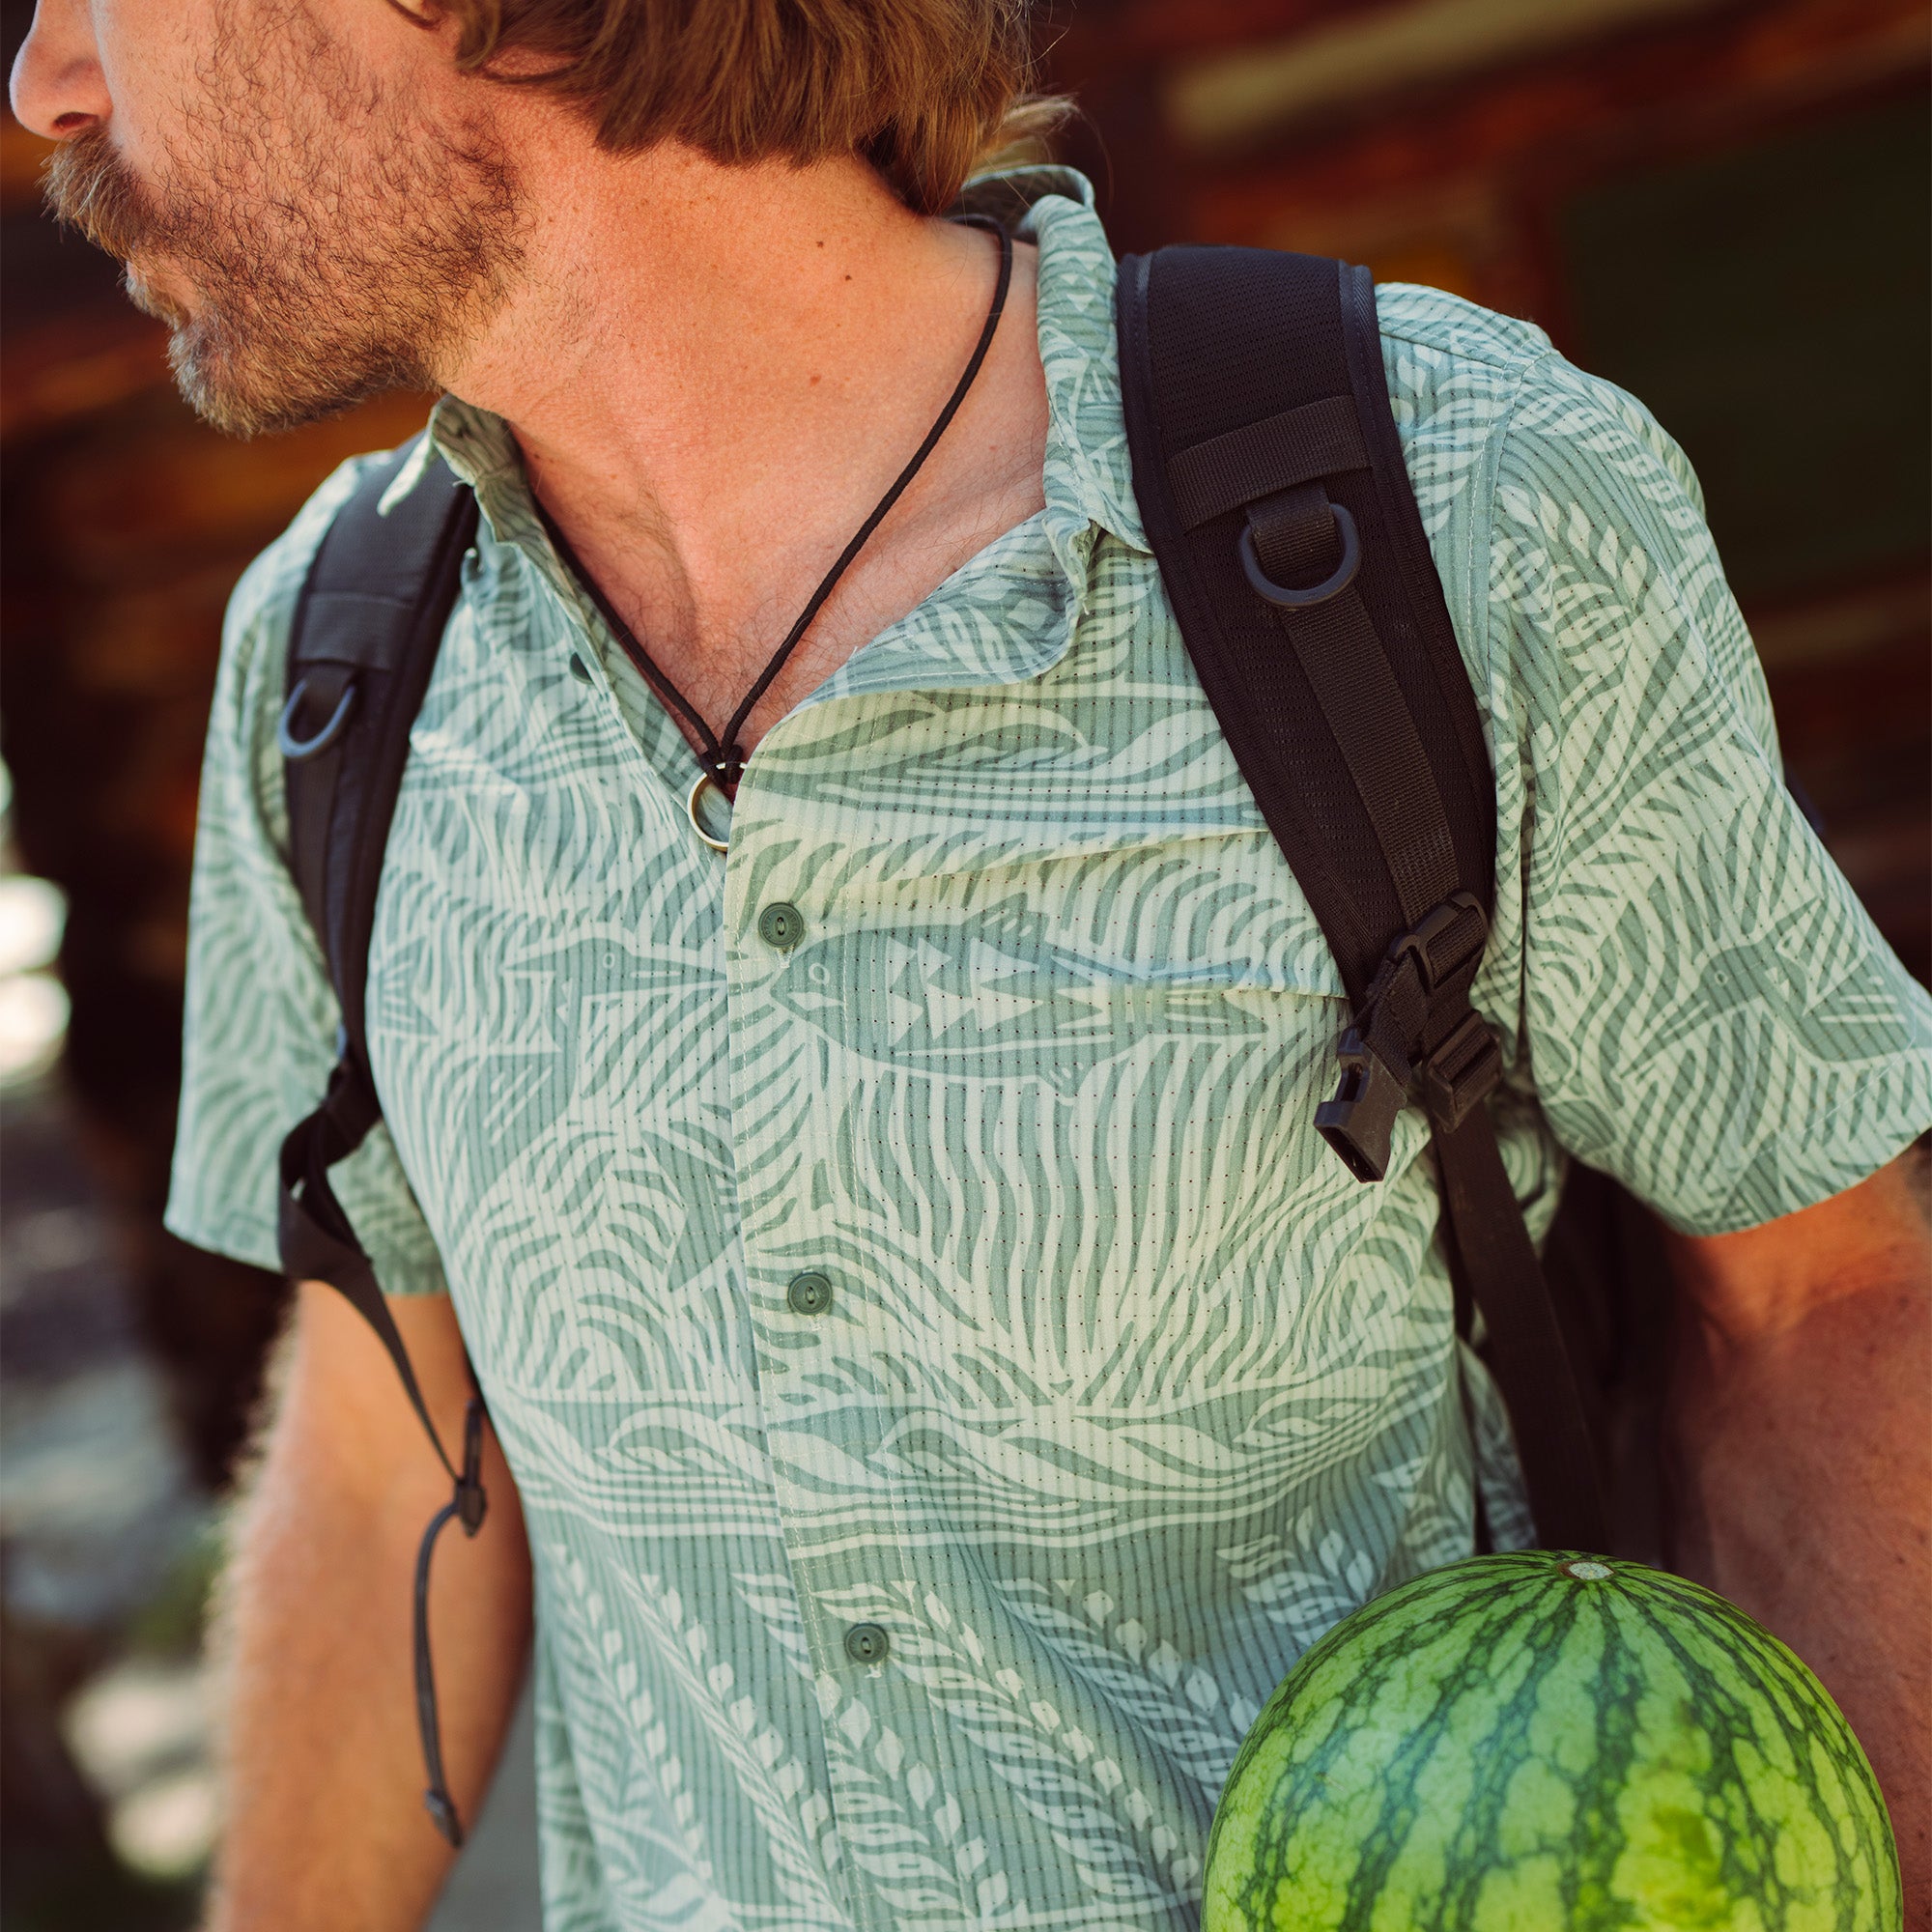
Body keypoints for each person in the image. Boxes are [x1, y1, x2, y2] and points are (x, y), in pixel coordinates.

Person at [14, 1, 1930, 1926]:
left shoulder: (1452, 502)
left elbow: (1814, 1314)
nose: (42, 91)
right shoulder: (330, 672)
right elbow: (381, 1454)